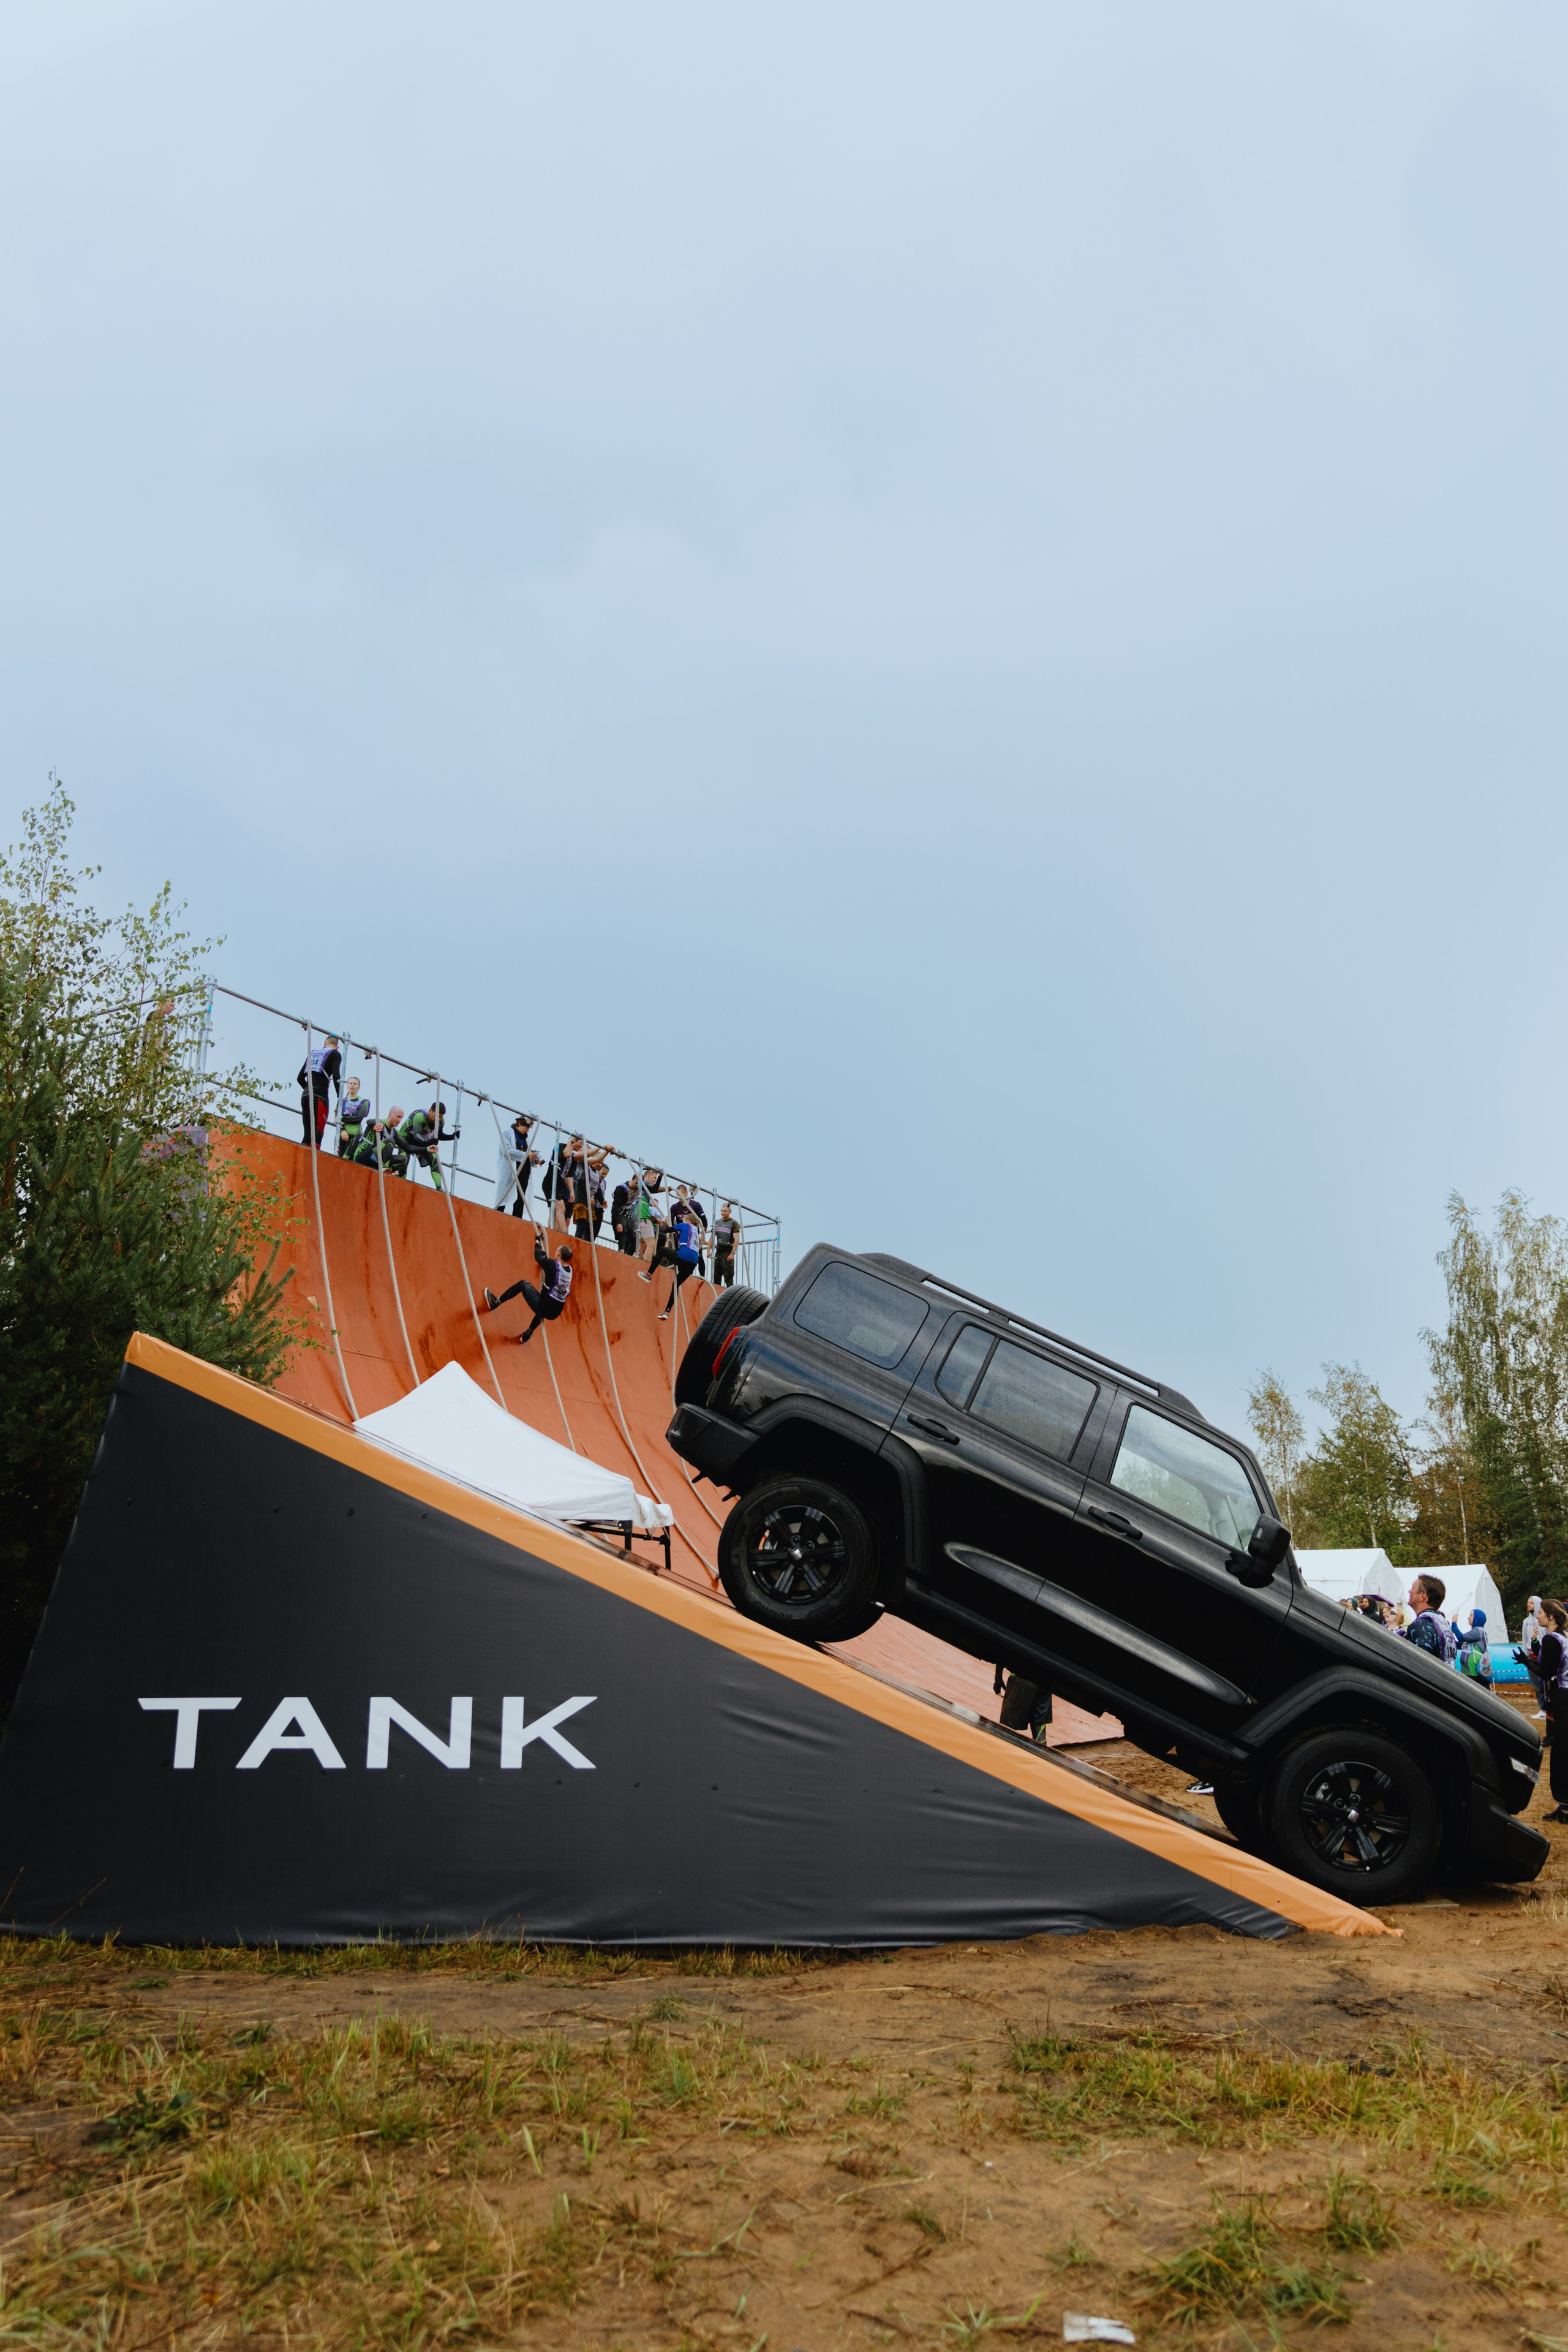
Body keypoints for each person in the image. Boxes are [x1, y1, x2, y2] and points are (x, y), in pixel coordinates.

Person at [483, 1237, 573, 1343]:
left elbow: (538, 1256)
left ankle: (495, 1302)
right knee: (544, 1307)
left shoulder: (551, 1265)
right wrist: (545, 1258)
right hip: (555, 1313)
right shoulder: (569, 1271)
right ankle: (528, 1333)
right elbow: (552, 1267)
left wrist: (537, 1243)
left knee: (523, 1284)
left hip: (543, 1306)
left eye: (557, 1251)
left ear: (559, 1254)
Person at [1538, 1600, 1568, 1822]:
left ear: (1550, 1617)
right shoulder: (1565, 1638)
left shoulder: (1551, 1639)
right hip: (1564, 1696)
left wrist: (1528, 1662)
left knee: (1561, 1752)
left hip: (1562, 1698)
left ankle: (1565, 1806)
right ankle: (1565, 1805)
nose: (1537, 1616)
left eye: (1540, 1612)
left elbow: (1547, 1673)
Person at [658, 1199, 704, 1322]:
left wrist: (663, 1222)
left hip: (683, 1258)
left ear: (687, 1221)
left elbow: (667, 1229)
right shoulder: (696, 1232)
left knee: (663, 1251)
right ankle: (667, 1311)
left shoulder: (685, 1226)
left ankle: (649, 1274)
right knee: (676, 1284)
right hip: (692, 1263)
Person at [399, 1102, 459, 1191]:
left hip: (422, 1140)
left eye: (441, 1117)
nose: (437, 1119)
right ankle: (400, 1181)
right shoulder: (420, 1117)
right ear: (430, 1111)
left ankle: (439, 1188)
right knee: (404, 1160)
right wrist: (428, 1142)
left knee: (434, 1159)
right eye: (436, 1116)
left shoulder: (441, 1122)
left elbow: (439, 1135)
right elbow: (417, 1135)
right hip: (408, 1138)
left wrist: (452, 1136)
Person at [297, 1034, 341, 1149]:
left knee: (307, 1136)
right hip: (320, 1096)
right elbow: (337, 1077)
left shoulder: (312, 1054)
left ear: (324, 1044)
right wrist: (340, 1098)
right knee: (318, 1134)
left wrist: (309, 1090)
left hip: (306, 1095)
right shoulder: (335, 1054)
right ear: (337, 1047)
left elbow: (299, 1078)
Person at [1401, 1575, 1457, 1664]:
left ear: (1422, 1596)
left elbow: (1420, 1665)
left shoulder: (1422, 1624)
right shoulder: (1444, 1624)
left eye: (1412, 1588)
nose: (1409, 1591)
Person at [494, 1114, 541, 1216]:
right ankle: (497, 1216)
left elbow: (526, 1154)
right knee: (504, 1196)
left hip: (524, 1173)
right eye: (526, 1127)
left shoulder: (526, 1139)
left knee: (520, 1199)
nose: (528, 1130)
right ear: (519, 1124)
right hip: (510, 1172)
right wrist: (527, 1155)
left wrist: (535, 1159)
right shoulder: (506, 1134)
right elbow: (507, 1151)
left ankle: (517, 1220)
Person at [998, 1672, 1052, 1743]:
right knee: (1039, 1725)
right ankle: (1041, 1752)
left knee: (1008, 1727)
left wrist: (998, 1678)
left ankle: (1002, 1751)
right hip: (1046, 1682)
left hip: (1021, 1676)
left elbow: (1003, 1661)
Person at [353, 1106, 408, 1176]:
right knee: (391, 1141)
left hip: (376, 1162)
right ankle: (385, 1168)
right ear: (390, 1115)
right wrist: (379, 1124)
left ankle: (387, 1171)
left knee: (403, 1159)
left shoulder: (395, 1133)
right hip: (363, 1157)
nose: (400, 1120)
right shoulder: (381, 1122)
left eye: (401, 1118)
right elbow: (369, 1122)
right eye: (398, 1117)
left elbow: (408, 1147)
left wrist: (425, 1149)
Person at [1520, 1596, 1547, 1720]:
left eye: (1531, 1603)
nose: (1528, 1605)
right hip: (1531, 1656)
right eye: (1528, 1602)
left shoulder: (1544, 1621)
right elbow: (1525, 1639)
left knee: (1545, 1685)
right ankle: (1542, 1709)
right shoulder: (1526, 1622)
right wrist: (1525, 1655)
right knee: (1536, 1685)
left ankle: (1548, 1709)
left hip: (1542, 1656)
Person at [1455, 1608, 1494, 1687]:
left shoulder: (1478, 1631)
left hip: (1475, 1672)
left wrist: (1454, 1624)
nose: (1468, 1617)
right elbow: (1459, 1644)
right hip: (1468, 1671)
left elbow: (1461, 1638)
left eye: (1471, 1615)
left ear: (1477, 1618)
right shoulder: (1473, 1634)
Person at [337, 1076, 369, 1158]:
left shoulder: (364, 1102)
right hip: (341, 1133)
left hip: (355, 1134)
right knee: (337, 1157)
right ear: (347, 1085)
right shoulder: (342, 1101)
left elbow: (358, 1118)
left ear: (358, 1087)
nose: (352, 1086)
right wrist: (342, 1130)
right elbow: (336, 1119)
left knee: (346, 1159)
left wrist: (342, 1118)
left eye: (355, 1084)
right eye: (350, 1083)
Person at [712, 1202, 741, 1288]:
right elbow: (712, 1237)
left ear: (730, 1212)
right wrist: (709, 1250)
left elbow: (737, 1239)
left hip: (728, 1250)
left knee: (728, 1277)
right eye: (721, 1211)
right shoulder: (717, 1222)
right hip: (719, 1250)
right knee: (716, 1277)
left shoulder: (734, 1223)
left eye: (725, 1211)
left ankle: (730, 1297)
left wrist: (733, 1253)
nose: (723, 1213)